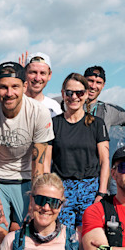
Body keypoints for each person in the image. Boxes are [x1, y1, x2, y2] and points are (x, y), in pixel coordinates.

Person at [0, 61, 54, 227]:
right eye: (4, 87)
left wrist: (35, 200)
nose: (9, 93)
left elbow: (38, 163)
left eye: (15, 87)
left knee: (28, 231)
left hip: (26, 178)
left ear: (24, 87)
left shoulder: (39, 112)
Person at [52, 72, 110, 230]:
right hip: (62, 190)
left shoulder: (97, 124)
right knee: (63, 237)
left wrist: (101, 193)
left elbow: (104, 161)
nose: (74, 97)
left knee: (89, 237)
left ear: (86, 95)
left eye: (79, 93)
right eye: (69, 92)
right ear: (63, 94)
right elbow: (45, 161)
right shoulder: (54, 124)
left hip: (90, 190)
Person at [82, 65, 125, 129]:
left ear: (103, 85)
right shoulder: (72, 106)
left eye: (98, 82)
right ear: (83, 81)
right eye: (90, 81)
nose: (93, 86)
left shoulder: (109, 110)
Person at [22, 51, 63, 117]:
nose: (37, 78)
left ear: (49, 75)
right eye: (33, 72)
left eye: (42, 73)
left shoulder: (54, 108)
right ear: (24, 73)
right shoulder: (14, 103)